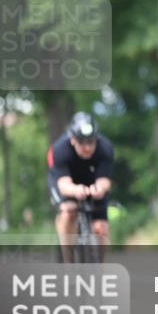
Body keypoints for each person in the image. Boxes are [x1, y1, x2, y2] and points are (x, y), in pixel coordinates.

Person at [48, 111, 114, 262]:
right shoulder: (60, 149)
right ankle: (68, 259)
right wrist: (76, 190)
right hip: (65, 181)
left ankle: (100, 265)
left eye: (91, 142)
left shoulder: (105, 148)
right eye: (82, 142)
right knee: (69, 210)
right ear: (72, 140)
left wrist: (99, 189)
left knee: (101, 228)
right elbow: (64, 186)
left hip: (91, 181)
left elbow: (105, 181)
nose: (87, 147)